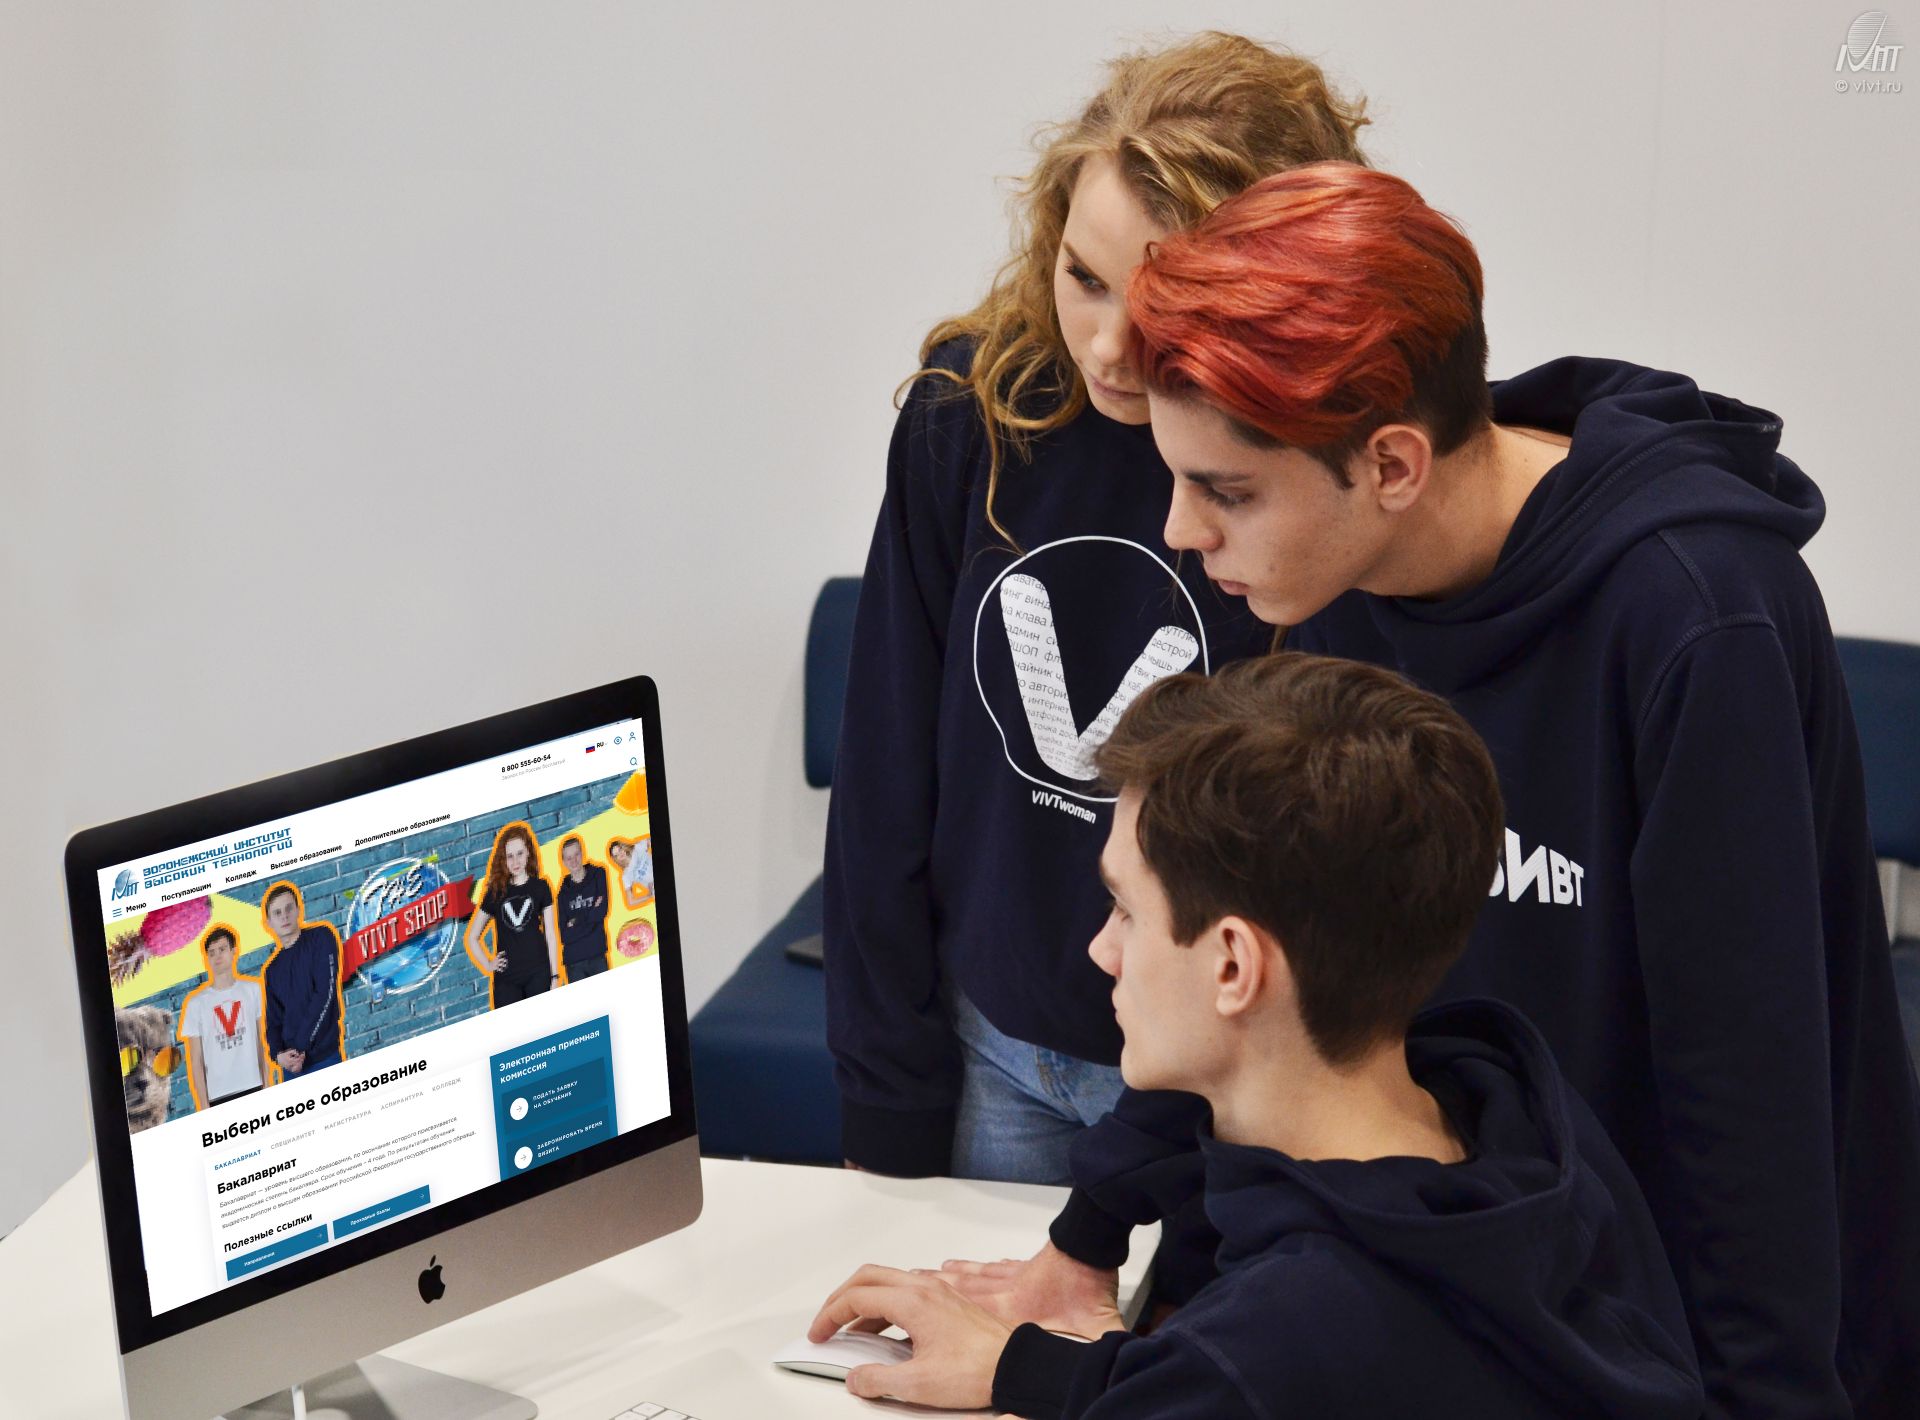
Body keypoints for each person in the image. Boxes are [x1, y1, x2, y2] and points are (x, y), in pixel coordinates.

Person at [949, 163, 1920, 1418]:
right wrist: (1091, 1241)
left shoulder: (1695, 614)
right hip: (1480, 1296)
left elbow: (1755, 1106)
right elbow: (1242, 946)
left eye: (1227, 492)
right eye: (1176, 480)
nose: (1184, 533)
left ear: (1394, 462)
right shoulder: (1333, 566)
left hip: (1677, 1344)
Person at [813, 656, 1704, 1419]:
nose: (1100, 950)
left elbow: (1262, 1370)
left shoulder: (1286, 1336)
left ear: (1234, 966)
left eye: (1126, 910)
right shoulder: (1514, 1109)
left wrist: (1037, 1373)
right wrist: (1036, 1369)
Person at [826, 31, 1370, 1186]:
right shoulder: (969, 413)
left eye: (1166, 299)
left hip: (1226, 1078)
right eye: (1084, 278)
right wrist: (885, 1096)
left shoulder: (1321, 471)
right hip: (999, 1044)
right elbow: (885, 776)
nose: (1112, 347)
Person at [465, 823, 560, 1008]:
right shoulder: (495, 892)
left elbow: (551, 934)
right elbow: (472, 937)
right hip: (507, 980)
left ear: (528, 853)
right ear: (503, 859)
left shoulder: (541, 887)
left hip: (538, 972)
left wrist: (555, 976)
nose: (515, 861)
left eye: (520, 853)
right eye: (510, 856)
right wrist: (488, 964)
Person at [260, 882, 346, 1078]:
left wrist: (299, 1048)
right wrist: (277, 1055)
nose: (284, 916)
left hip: (324, 1059)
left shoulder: (321, 937)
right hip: (290, 1067)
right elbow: (273, 1021)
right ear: (269, 923)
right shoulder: (271, 970)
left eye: (289, 908)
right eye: (277, 913)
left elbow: (325, 995)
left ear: (298, 910)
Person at [178, 925, 269, 1108]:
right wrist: (204, 1107)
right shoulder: (195, 1003)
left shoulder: (253, 990)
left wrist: (267, 1086)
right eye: (211, 953)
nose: (217, 956)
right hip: (218, 1096)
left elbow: (261, 1042)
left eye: (222, 949)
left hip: (253, 1085)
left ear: (234, 951)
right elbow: (196, 1060)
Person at [555, 835, 612, 981]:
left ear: (582, 853)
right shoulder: (562, 894)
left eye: (576, 854)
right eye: (569, 858)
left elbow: (602, 912)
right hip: (574, 963)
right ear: (563, 862)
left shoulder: (598, 874)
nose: (573, 861)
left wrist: (575, 922)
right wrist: (591, 914)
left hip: (597, 955)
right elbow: (564, 936)